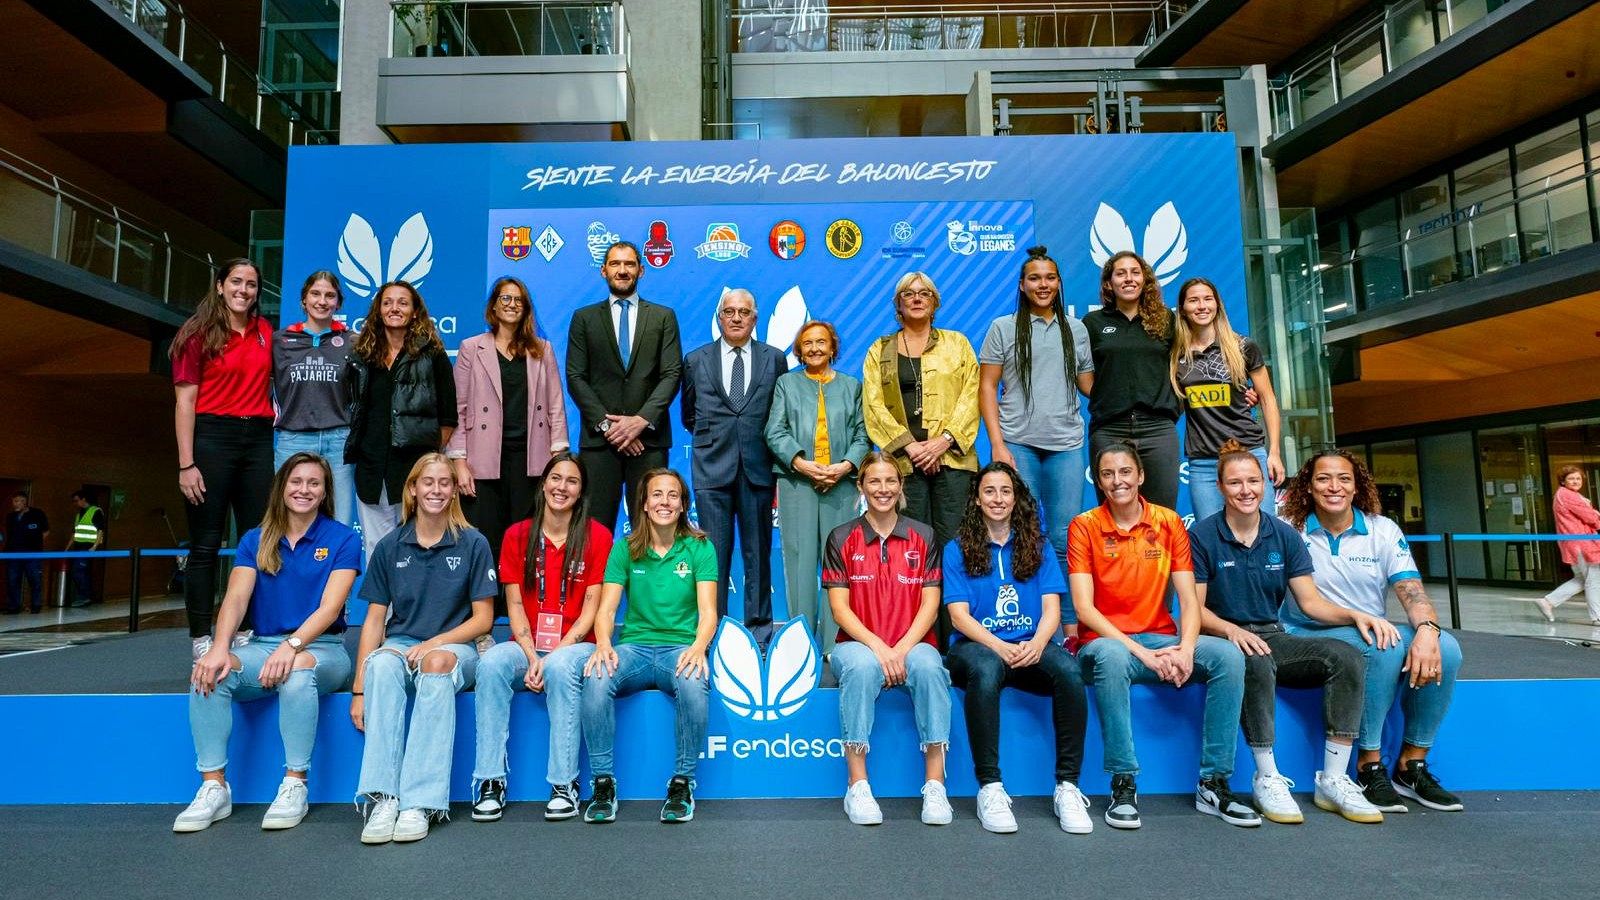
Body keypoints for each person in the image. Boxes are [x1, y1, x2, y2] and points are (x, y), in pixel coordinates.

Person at [1192, 440, 1394, 825]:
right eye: (1235, 483)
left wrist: (1357, 616)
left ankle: (1333, 779)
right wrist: (1232, 631)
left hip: (1273, 634)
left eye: (1253, 481)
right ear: (1220, 488)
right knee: (1254, 656)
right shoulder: (1202, 536)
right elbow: (1194, 610)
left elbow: (1310, 603)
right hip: (1222, 637)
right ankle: (1267, 775)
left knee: (1346, 656)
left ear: (1265, 486)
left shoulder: (1284, 536)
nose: (1246, 490)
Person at [1069, 443, 1258, 830]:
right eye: (1108, 473)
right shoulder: (1084, 525)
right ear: (1098, 481)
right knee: (1110, 655)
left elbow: (1190, 601)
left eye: (1125, 472)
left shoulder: (1169, 522)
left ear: (1140, 476)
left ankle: (1214, 781)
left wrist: (1186, 649)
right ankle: (1123, 781)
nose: (1117, 480)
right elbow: (1085, 611)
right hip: (1104, 644)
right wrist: (1144, 654)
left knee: (1228, 657)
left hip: (1159, 640)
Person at [176, 452, 360, 833]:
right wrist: (219, 647)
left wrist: (292, 646)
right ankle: (214, 787)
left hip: (324, 649)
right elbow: (237, 598)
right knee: (211, 672)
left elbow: (330, 608)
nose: (304, 490)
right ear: (282, 488)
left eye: (314, 483)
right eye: (296, 482)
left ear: (325, 491)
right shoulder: (255, 538)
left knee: (297, 670)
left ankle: (295, 782)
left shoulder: (342, 538)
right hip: (263, 645)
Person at [1279, 449, 1465, 813]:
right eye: (1323, 479)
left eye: (1344, 478)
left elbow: (1411, 591)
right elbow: (1306, 603)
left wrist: (1427, 629)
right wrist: (1357, 619)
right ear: (1308, 487)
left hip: (1369, 626)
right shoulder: (1290, 529)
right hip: (1307, 630)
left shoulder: (1382, 529)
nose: (1334, 487)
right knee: (1385, 647)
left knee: (1449, 647)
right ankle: (1369, 764)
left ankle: (1411, 765)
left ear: (1357, 485)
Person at [351, 453, 495, 844]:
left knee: (435, 661)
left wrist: (435, 642)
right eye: (427, 482)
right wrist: (359, 688)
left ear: (453, 491)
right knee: (381, 664)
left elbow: (482, 620)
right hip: (403, 642)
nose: (436, 490)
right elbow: (375, 622)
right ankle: (384, 797)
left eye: (444, 483)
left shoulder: (472, 542)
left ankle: (421, 802)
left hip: (456, 646)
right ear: (412, 489)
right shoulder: (390, 545)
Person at [943, 462, 1092, 835]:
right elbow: (959, 617)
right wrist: (998, 646)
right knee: (987, 667)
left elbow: (1051, 610)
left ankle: (1068, 787)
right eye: (989, 491)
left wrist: (1038, 644)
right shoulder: (956, 548)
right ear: (977, 500)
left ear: (1016, 497)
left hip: (1030, 645)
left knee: (1071, 672)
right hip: (974, 649)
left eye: (1005, 491)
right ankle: (990, 787)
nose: (998, 499)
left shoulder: (1037, 545)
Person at [471, 452, 611, 823]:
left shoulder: (598, 535)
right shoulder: (518, 535)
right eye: (555, 478)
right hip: (529, 643)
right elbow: (514, 604)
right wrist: (532, 656)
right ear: (543, 484)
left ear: (581, 492)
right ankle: (489, 780)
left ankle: (564, 783)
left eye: (571, 481)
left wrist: (550, 659)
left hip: (577, 644)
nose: (561, 487)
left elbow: (591, 611)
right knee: (492, 663)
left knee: (563, 667)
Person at [822, 452, 951, 827]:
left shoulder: (923, 535)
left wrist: (901, 649)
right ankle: (858, 784)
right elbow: (840, 611)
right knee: (861, 668)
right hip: (856, 646)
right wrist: (880, 649)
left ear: (901, 486)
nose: (883, 489)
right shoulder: (841, 537)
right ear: (861, 487)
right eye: (874, 482)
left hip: (911, 645)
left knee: (929, 665)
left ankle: (935, 785)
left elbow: (930, 604)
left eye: (890, 481)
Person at [581, 468, 717, 824]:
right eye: (657, 494)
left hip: (679, 649)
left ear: (683, 504)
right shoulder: (624, 549)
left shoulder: (700, 547)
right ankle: (603, 783)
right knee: (596, 679)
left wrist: (699, 647)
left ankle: (683, 782)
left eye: (673, 495)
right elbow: (607, 609)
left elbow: (708, 612)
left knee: (693, 685)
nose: (665, 502)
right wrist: (603, 644)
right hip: (636, 650)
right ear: (643, 504)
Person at [172, 258, 275, 654]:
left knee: (255, 541)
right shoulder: (196, 334)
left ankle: (247, 629)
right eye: (236, 282)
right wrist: (186, 463)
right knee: (205, 544)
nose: (243, 290)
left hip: (258, 440)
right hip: (211, 438)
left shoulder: (264, 331)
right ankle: (201, 636)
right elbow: (185, 402)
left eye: (251, 284)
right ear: (219, 286)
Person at [979, 245, 1095, 580]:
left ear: (1059, 283)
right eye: (1034, 278)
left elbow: (1089, 385)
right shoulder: (1003, 327)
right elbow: (987, 387)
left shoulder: (1076, 329)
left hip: (1067, 445)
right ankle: (1026, 619)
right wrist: (998, 445)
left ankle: (1067, 625)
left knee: (1063, 536)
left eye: (1049, 278)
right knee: (1021, 531)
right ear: (1021, 285)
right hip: (1018, 443)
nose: (1042, 285)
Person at [681, 288, 788, 642]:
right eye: (730, 311)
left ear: (755, 319)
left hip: (758, 468)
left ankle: (759, 634)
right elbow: (689, 415)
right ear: (720, 317)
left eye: (744, 312)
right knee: (714, 556)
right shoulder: (696, 360)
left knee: (758, 554)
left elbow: (778, 412)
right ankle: (716, 633)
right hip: (712, 470)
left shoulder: (774, 359)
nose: (737, 317)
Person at [448, 277, 569, 568]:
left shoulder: (543, 350)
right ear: (493, 306)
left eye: (518, 300)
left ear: (526, 308)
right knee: (485, 535)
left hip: (530, 459)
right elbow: (458, 408)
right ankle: (486, 605)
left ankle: (520, 605)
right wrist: (458, 461)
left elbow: (555, 405)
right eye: (505, 298)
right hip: (483, 459)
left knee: (525, 535)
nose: (512, 304)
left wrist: (559, 458)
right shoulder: (471, 348)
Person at [565, 241, 684, 533]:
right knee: (594, 529)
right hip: (599, 444)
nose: (622, 270)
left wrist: (640, 421)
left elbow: (671, 373)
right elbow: (575, 377)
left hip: (649, 442)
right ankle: (596, 582)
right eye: (615, 264)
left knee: (653, 526)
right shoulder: (584, 318)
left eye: (629, 264)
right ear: (603, 270)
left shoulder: (663, 317)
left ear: (641, 271)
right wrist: (611, 428)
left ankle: (649, 581)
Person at [765, 320, 869, 653]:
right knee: (799, 560)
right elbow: (775, 431)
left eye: (821, 342)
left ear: (833, 347)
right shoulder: (786, 384)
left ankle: (835, 643)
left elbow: (862, 434)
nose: (814, 348)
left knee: (839, 563)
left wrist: (844, 466)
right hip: (798, 483)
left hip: (842, 484)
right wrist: (801, 463)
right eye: (807, 343)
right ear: (798, 349)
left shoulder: (852, 386)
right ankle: (799, 645)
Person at [862, 271, 979, 554]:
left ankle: (953, 600)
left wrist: (943, 441)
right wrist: (911, 447)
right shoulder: (880, 349)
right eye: (908, 294)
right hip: (903, 463)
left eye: (924, 293)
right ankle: (918, 601)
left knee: (955, 542)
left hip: (953, 459)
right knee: (912, 546)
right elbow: (873, 404)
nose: (916, 299)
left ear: (934, 302)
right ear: (898, 304)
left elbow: (972, 395)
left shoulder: (958, 343)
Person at [345, 280, 457, 560]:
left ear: (415, 311)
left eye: (403, 302)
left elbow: (448, 416)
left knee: (419, 547)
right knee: (376, 549)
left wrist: (428, 460)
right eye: (387, 302)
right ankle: (382, 606)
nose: (395, 308)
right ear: (378, 310)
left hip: (414, 468)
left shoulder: (433, 355)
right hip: (371, 468)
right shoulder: (362, 355)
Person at [1171, 277, 1284, 520]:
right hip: (1204, 462)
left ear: (1218, 305)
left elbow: (1267, 399)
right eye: (1193, 300)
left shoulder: (1243, 346)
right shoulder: (1174, 355)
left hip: (1249, 453)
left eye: (1207, 299)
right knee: (1212, 538)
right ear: (1182, 309)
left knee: (1262, 530)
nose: (1202, 306)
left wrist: (1274, 451)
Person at [1083, 252, 1182, 510]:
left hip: (1157, 429)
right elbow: (1082, 376)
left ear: (1145, 279)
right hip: (1109, 429)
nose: (1129, 279)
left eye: (1135, 272)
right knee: (1113, 515)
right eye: (1120, 273)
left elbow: (1187, 365)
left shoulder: (1166, 320)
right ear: (1109, 283)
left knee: (1161, 515)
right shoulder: (1092, 323)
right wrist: (1110, 394)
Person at [272, 271, 357, 527]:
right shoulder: (280, 340)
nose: (322, 301)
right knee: (288, 520)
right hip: (293, 438)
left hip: (339, 438)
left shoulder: (353, 342)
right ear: (303, 300)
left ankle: (337, 569)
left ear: (338, 303)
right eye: (315, 294)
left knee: (339, 520)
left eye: (330, 295)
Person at [1536, 466, 1600, 625]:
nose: (1576, 481)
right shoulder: (1568, 495)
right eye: (1571, 478)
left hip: (1574, 543)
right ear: (1563, 481)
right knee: (1594, 580)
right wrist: (1596, 515)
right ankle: (1597, 616)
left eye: (1578, 478)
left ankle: (1547, 602)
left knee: (1581, 579)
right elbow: (1590, 517)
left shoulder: (1563, 494)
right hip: (1583, 543)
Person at [5, 492, 49, 614]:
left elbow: (46, 531)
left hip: (33, 554)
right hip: (13, 554)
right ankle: (13, 607)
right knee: (13, 580)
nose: (16, 504)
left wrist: (35, 544)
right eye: (14, 501)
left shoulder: (37, 514)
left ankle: (36, 605)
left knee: (35, 580)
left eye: (19, 501)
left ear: (25, 502)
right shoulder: (11, 517)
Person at [65, 490, 106, 608]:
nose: (75, 503)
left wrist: (94, 547)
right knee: (80, 572)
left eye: (76, 500)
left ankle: (85, 597)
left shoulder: (96, 511)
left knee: (78, 572)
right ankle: (83, 596)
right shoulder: (79, 514)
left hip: (87, 548)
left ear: (83, 499)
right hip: (78, 547)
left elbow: (100, 531)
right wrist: (66, 549)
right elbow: (75, 533)